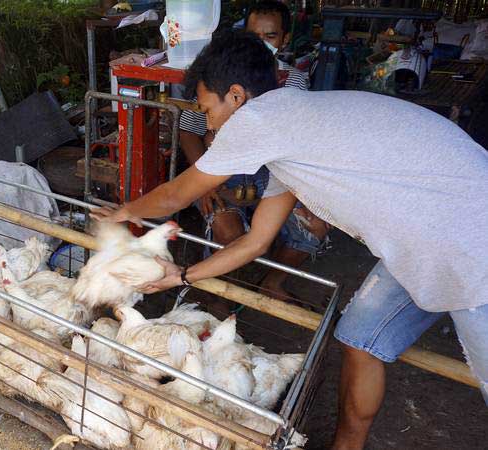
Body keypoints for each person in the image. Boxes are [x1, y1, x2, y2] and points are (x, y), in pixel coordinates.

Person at [93, 30, 488, 449]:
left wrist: (124, 212)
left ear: (237, 97)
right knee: (359, 338)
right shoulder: (295, 136)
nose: (206, 123)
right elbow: (254, 242)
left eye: (207, 109)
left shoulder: (262, 122)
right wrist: (183, 277)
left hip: (469, 241)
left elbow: (177, 194)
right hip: (423, 240)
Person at [179, 0, 328, 299]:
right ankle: (219, 299)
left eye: (270, 36)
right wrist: (204, 187)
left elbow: (296, 145)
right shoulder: (218, 79)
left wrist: (307, 194)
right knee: (229, 232)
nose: (261, 45)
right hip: (224, 175)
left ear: (285, 39)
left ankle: (272, 283)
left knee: (315, 225)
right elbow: (189, 132)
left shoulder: (294, 81)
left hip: (274, 177)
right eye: (253, 36)